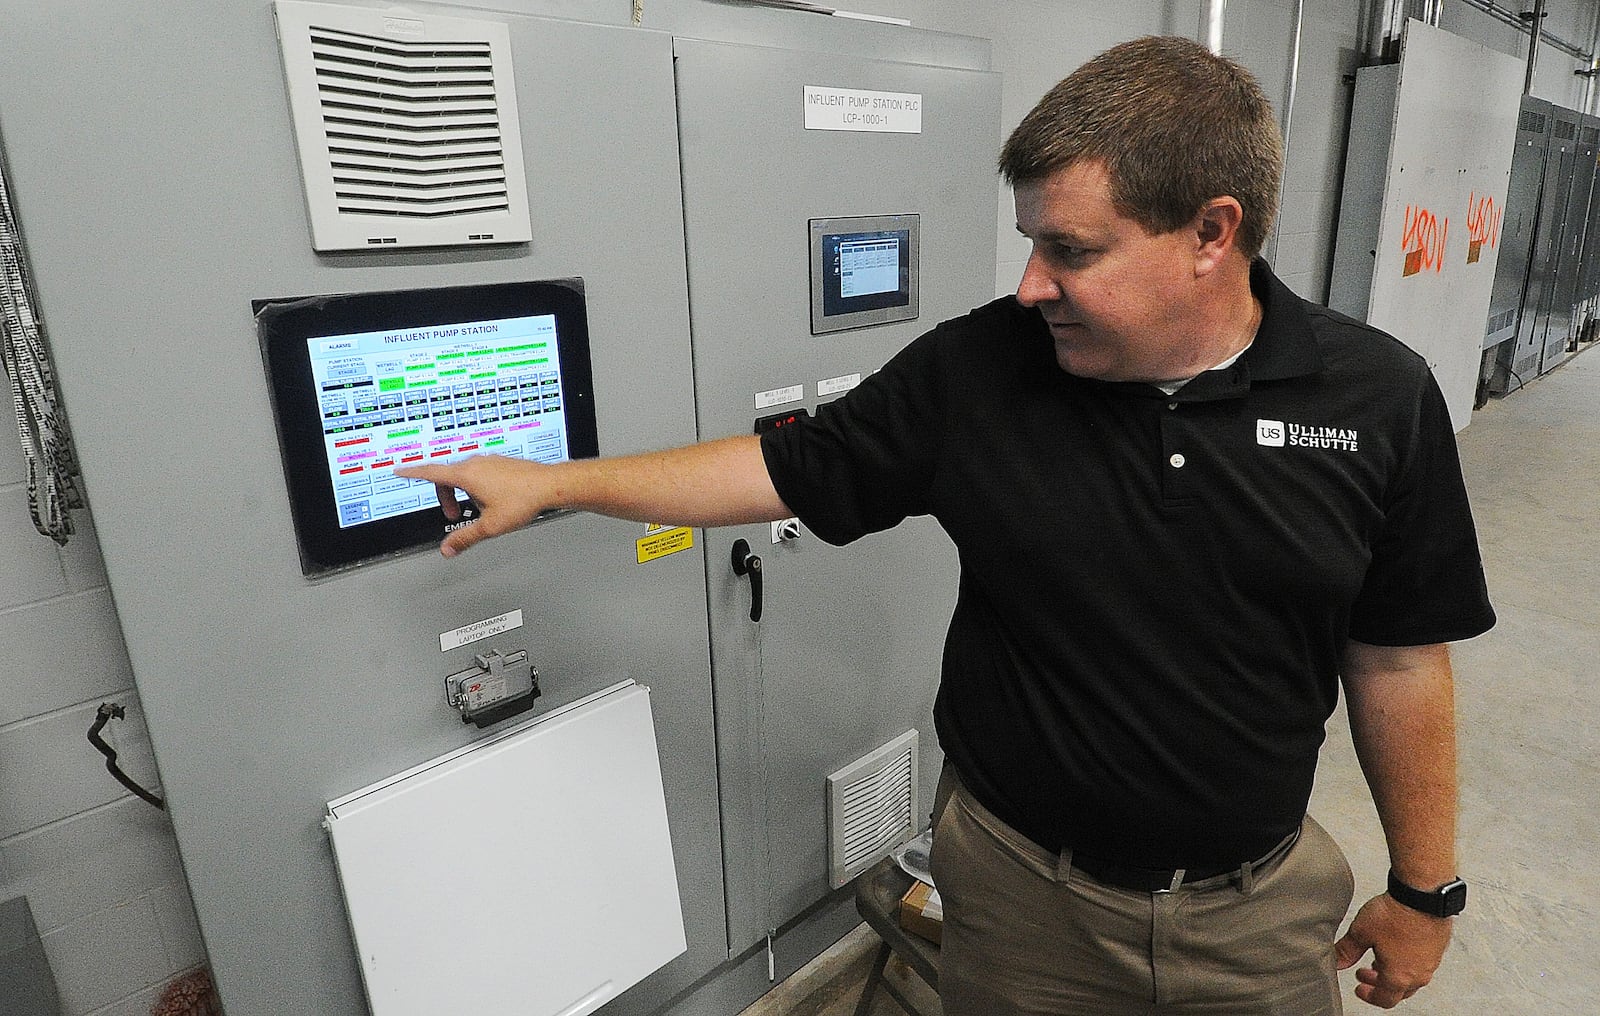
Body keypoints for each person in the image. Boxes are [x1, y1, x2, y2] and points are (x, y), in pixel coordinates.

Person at [398, 35, 1495, 1015]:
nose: (1030, 285)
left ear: (1212, 233)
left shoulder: (1375, 397)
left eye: (1070, 250)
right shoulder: (981, 371)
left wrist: (1422, 886)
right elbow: (784, 466)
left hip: (1257, 916)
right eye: (1030, 243)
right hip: (1024, 906)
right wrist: (560, 482)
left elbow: (1398, 653)